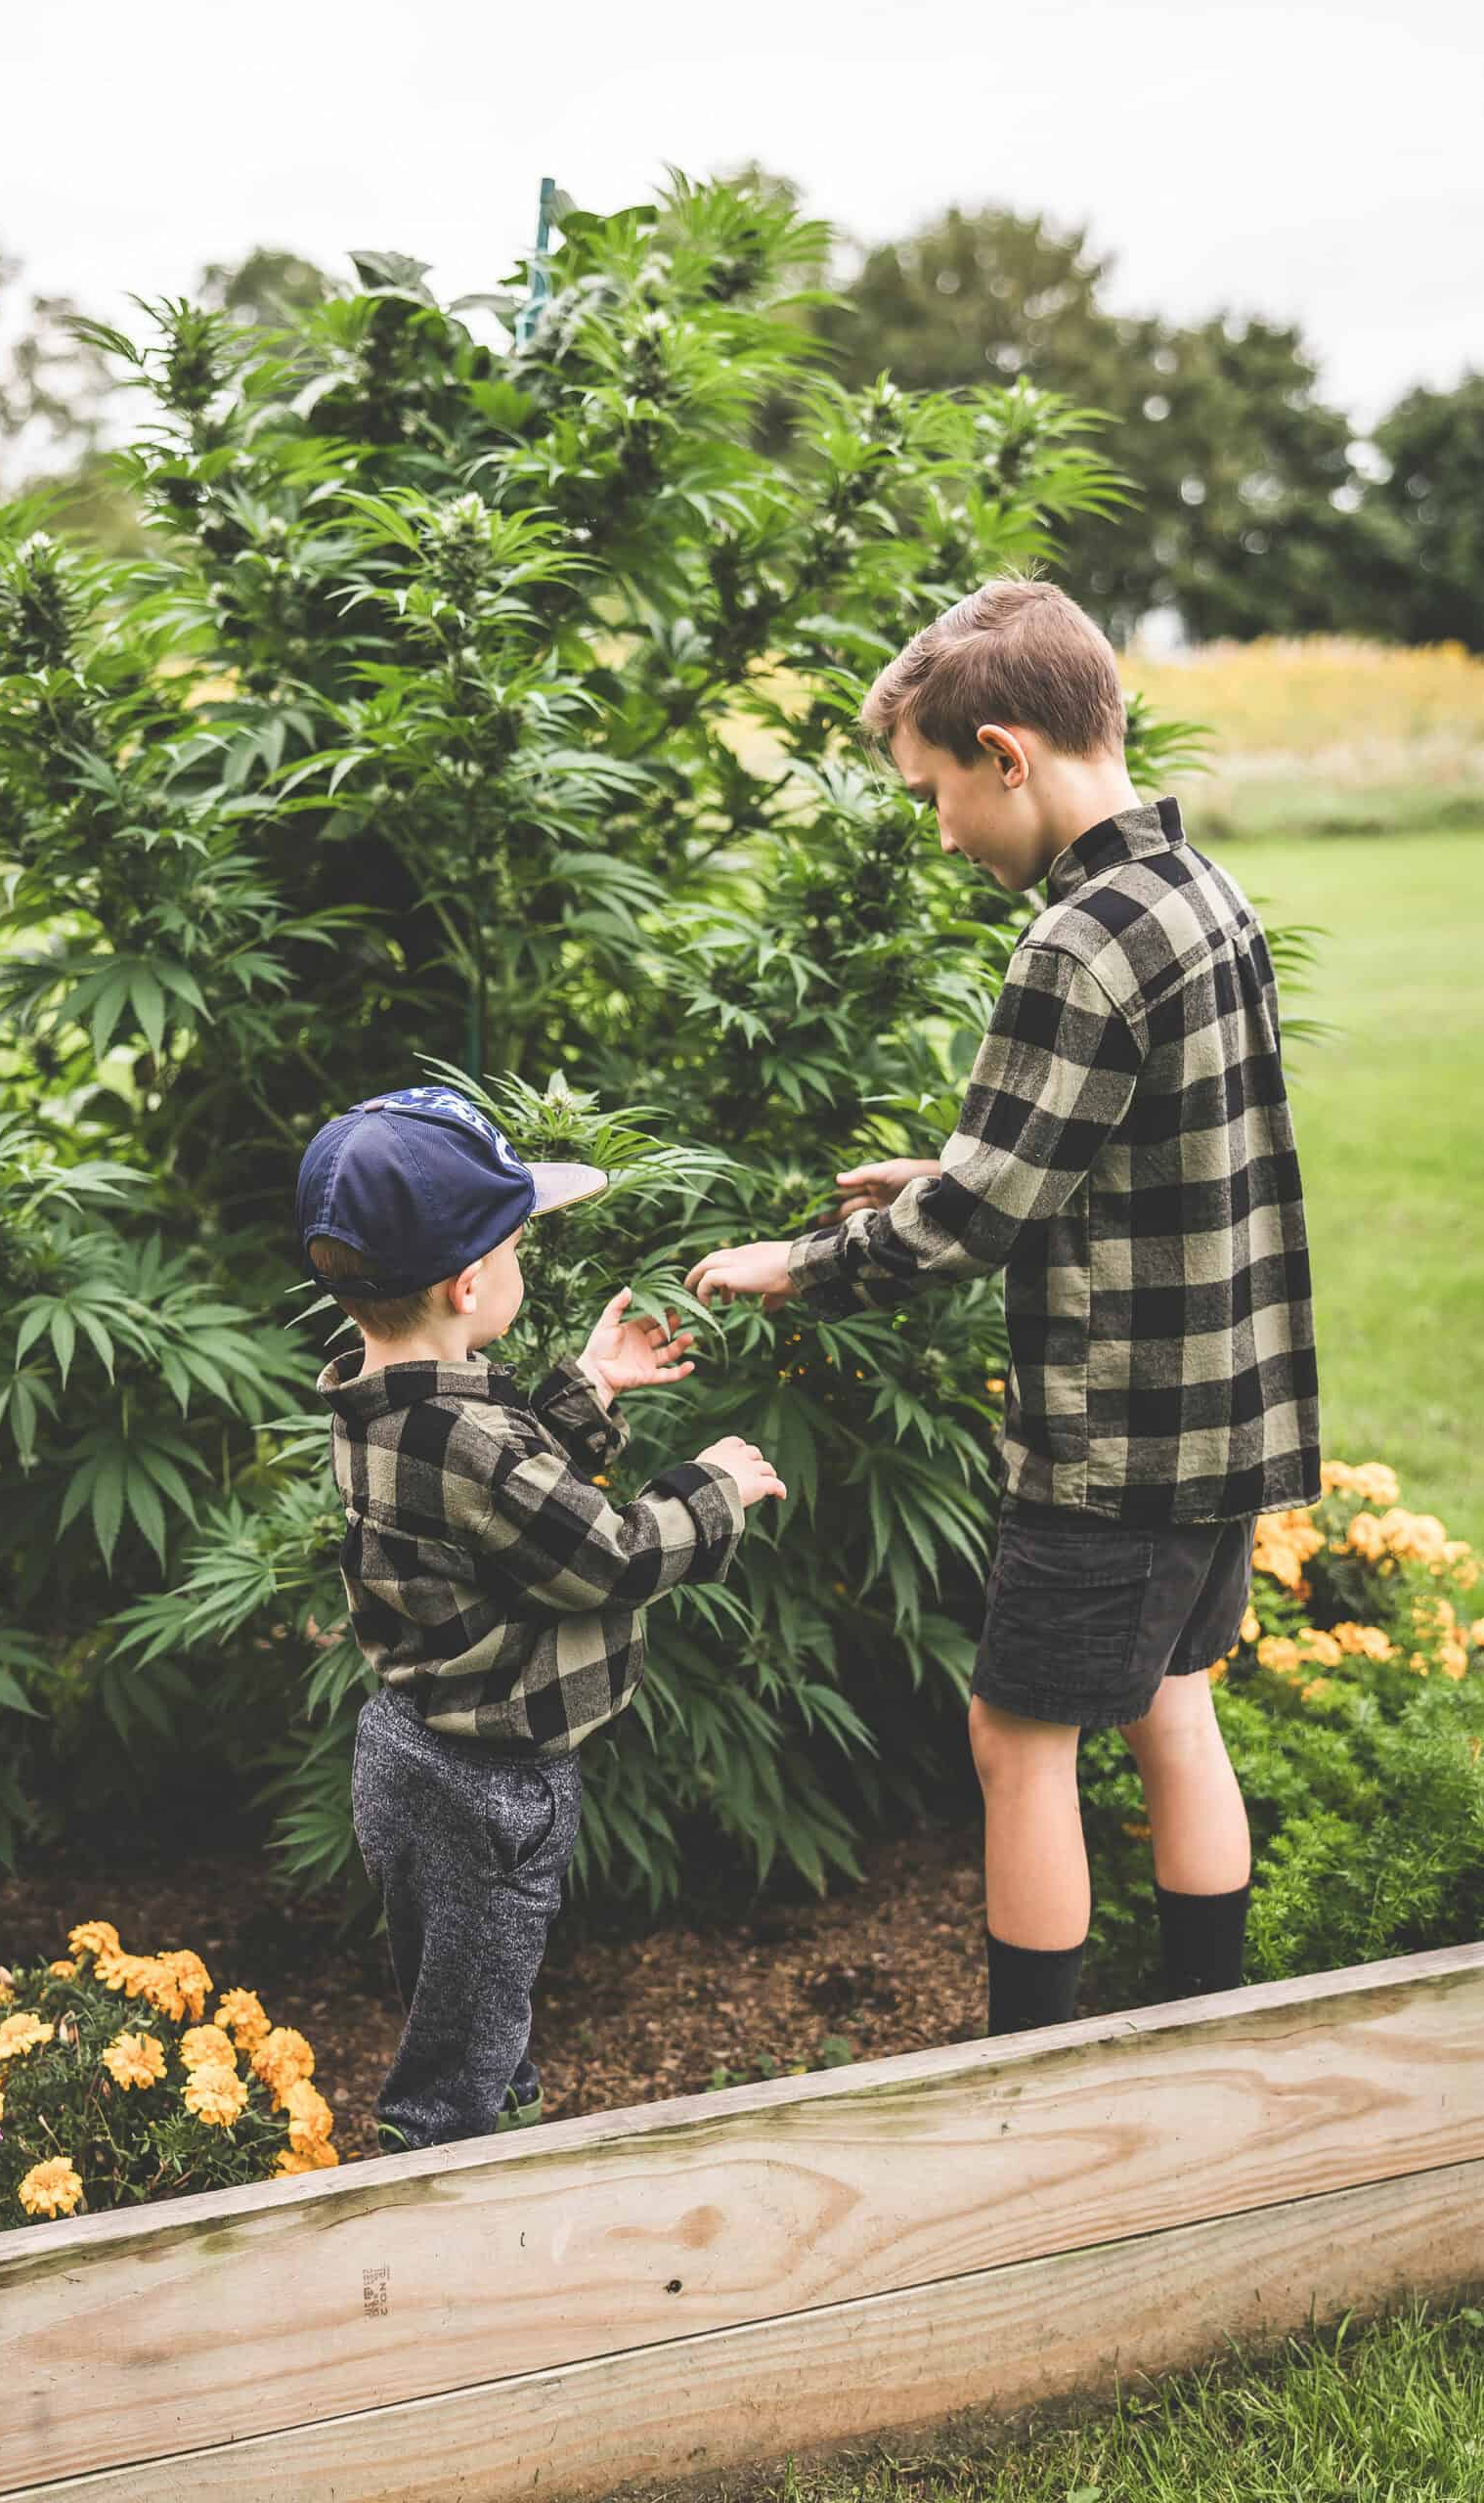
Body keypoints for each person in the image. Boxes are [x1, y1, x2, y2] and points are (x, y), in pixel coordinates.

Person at [685, 579, 1320, 2037]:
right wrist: (959, 1165)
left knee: (1013, 1738)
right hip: (1223, 1403)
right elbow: (1151, 1138)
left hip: (1110, 1436)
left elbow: (979, 1220)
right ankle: (1198, 2039)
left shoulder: (1069, 940)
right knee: (1171, 1702)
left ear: (1004, 753)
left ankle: (1027, 2083)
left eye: (932, 792)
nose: (937, 827)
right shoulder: (1197, 893)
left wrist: (800, 1263)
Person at [297, 1082, 785, 2150]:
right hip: (490, 1783)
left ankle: (494, 2140)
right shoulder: (470, 1439)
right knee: (458, 2062)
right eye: (519, 1248)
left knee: (468, 2002)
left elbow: (496, 1506)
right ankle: (442, 2211)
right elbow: (603, 1557)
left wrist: (586, 1392)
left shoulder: (371, 1397)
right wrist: (714, 1487)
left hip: (409, 1753)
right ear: (471, 1281)